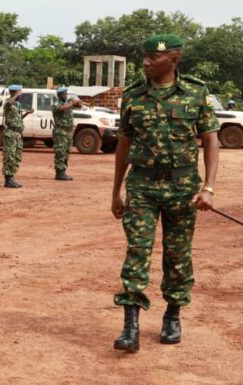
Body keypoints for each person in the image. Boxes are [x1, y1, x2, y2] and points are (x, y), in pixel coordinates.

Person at [111, 34, 220, 353]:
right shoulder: (132, 97)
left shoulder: (196, 93)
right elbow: (124, 145)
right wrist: (116, 191)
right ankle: (130, 326)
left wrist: (209, 188)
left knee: (177, 254)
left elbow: (211, 141)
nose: (145, 62)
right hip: (142, 186)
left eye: (152, 58)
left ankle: (173, 315)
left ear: (173, 59)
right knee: (137, 251)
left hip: (182, 188)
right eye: (143, 56)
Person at [2, 84, 32, 188]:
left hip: (18, 134)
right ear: (14, 93)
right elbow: (8, 103)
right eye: (19, 92)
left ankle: (12, 177)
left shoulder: (17, 105)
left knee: (16, 157)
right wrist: (15, 95)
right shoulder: (8, 103)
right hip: (10, 133)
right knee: (9, 156)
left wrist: (27, 113)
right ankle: (8, 179)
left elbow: (18, 119)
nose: (21, 94)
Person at [52, 86, 82, 181]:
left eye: (66, 94)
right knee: (60, 152)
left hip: (68, 132)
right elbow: (62, 108)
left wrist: (76, 102)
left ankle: (63, 171)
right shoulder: (57, 104)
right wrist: (70, 103)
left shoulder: (68, 103)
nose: (65, 95)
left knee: (66, 152)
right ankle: (59, 173)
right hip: (60, 132)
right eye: (64, 94)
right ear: (59, 95)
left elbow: (79, 106)